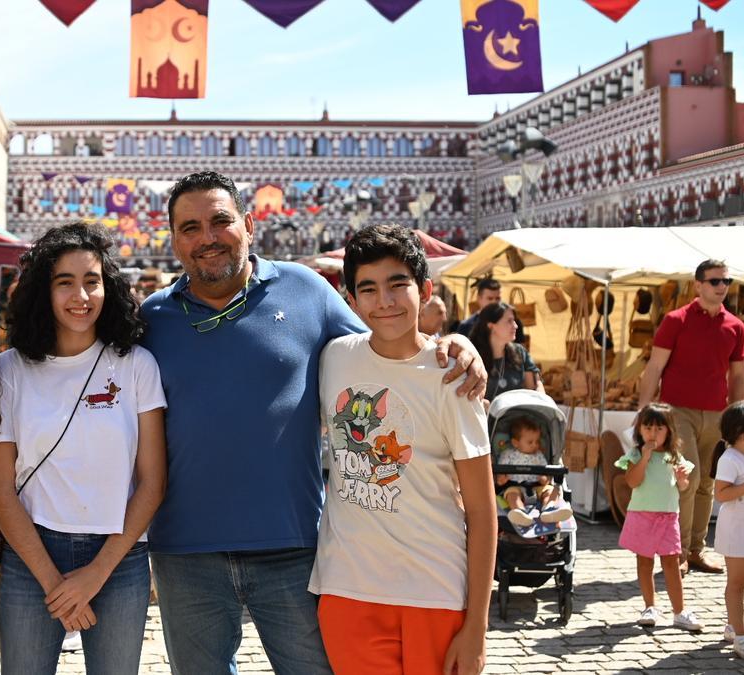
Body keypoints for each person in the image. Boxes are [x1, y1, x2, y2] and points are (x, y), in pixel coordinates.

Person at [140, 171, 486, 674]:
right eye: (189, 227)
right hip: (186, 553)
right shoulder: (152, 318)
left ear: (250, 224)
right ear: (173, 239)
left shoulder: (304, 290)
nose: (206, 237)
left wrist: (456, 344)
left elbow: (386, 348)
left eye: (220, 221)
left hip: (295, 547)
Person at [313, 224, 496, 675]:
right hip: (346, 592)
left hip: (433, 592)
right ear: (350, 301)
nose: (385, 301)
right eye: (368, 289)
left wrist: (477, 627)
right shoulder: (332, 358)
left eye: (399, 285)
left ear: (426, 289)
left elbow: (482, 509)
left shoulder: (453, 376)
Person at [0, 224, 167, 674]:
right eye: (64, 282)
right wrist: (55, 584)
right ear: (41, 291)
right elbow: (0, 489)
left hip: (119, 558)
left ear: (108, 287)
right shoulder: (9, 369)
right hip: (32, 556)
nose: (80, 295)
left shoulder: (137, 365)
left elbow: (152, 481)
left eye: (92, 281)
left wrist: (96, 574)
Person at [639, 259, 744, 576]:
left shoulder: (735, 326)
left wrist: (737, 415)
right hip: (677, 412)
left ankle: (697, 551)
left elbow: (739, 374)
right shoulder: (676, 320)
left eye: (726, 280)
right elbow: (655, 368)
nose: (722, 286)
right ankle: (679, 551)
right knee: (691, 479)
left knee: (708, 483)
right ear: (698, 284)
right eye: (715, 281)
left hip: (718, 414)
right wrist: (645, 413)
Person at [615, 403, 701, 632]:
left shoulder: (674, 456)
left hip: (668, 516)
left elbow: (682, 487)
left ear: (669, 430)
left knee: (671, 562)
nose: (653, 433)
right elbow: (633, 481)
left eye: (659, 428)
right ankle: (650, 606)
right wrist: (644, 457)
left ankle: (679, 611)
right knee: (644, 562)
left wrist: (682, 479)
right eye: (648, 428)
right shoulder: (635, 454)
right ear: (640, 430)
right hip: (642, 516)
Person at [713, 401, 744, 662]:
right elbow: (720, 494)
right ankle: (740, 637)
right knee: (737, 584)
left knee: (743, 582)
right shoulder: (729, 459)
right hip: (737, 531)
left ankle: (734, 626)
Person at [496, 418, 572, 527]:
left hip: (537, 487)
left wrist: (544, 479)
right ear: (515, 443)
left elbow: (546, 477)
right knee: (512, 495)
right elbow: (500, 477)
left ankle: (549, 509)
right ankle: (520, 512)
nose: (535, 445)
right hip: (515, 486)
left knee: (551, 491)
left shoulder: (539, 455)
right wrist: (501, 480)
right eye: (530, 442)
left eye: (537, 441)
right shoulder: (507, 455)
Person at [470, 302, 544, 404]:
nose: (516, 326)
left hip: (517, 418)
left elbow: (534, 389)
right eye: (509, 321)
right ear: (491, 326)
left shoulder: (520, 353)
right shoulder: (472, 356)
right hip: (482, 418)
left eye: (514, 321)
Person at [456, 277, 524, 343]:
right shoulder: (467, 326)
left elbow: (520, 351)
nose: (494, 302)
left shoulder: (513, 323)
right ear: (479, 299)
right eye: (490, 298)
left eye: (497, 298)